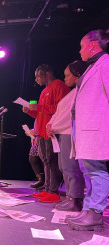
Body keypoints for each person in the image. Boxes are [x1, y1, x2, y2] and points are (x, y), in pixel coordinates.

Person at [66, 29, 109, 231]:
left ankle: (96, 213)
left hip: (96, 130)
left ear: (93, 45)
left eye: (82, 46)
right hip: (85, 130)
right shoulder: (92, 67)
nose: (80, 50)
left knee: (97, 171)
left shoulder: (105, 63)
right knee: (90, 171)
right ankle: (89, 209)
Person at [23, 64, 70, 203]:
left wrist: (39, 107)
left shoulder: (59, 86)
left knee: (52, 161)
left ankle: (53, 192)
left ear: (47, 73)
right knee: (45, 160)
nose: (36, 79)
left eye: (38, 76)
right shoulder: (44, 91)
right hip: (42, 131)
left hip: (53, 131)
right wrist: (30, 111)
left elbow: (61, 109)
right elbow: (41, 113)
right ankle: (48, 189)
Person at [46, 60, 89, 212]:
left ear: (77, 75)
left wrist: (54, 126)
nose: (64, 78)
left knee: (71, 168)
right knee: (63, 167)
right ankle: (70, 198)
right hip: (62, 133)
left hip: (69, 133)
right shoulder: (73, 92)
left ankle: (75, 200)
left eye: (67, 75)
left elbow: (69, 116)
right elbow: (59, 113)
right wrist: (50, 124)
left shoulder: (80, 91)